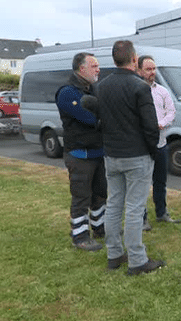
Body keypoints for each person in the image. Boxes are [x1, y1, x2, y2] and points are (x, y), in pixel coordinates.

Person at [95, 40, 165, 275]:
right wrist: (154, 151)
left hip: (112, 155)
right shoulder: (140, 87)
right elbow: (149, 126)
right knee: (134, 208)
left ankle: (114, 254)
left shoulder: (102, 86)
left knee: (114, 204)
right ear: (135, 60)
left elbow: (101, 121)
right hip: (136, 156)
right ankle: (137, 259)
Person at [55, 52, 106, 251]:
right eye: (94, 66)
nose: (98, 69)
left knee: (100, 195)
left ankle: (99, 228)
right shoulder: (68, 93)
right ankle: (80, 236)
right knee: (81, 197)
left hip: (98, 152)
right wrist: (102, 117)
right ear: (81, 68)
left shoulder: (95, 89)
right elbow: (90, 119)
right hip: (79, 155)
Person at [137, 55, 181, 229]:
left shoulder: (161, 91)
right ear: (139, 70)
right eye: (148, 69)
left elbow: (171, 111)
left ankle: (161, 213)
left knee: (160, 182)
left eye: (154, 69)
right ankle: (142, 218)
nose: (152, 72)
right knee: (141, 184)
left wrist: (162, 123)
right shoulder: (135, 91)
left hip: (161, 144)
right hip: (142, 146)